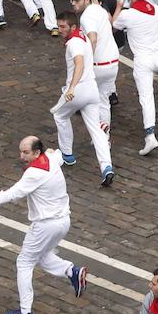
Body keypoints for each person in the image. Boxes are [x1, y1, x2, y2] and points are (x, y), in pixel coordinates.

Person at [0, 135, 85, 314]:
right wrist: (52, 152)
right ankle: (70, 271)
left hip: (45, 225)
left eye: (25, 152)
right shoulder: (49, 159)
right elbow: (56, 155)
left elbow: (12, 194)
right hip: (63, 221)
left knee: (24, 262)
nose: (21, 156)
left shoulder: (34, 174)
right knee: (41, 255)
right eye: (20, 151)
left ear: (36, 153)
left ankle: (25, 313)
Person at [52, 10, 114, 185]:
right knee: (96, 130)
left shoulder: (73, 44)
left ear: (73, 26)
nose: (60, 29)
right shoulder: (84, 36)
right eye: (58, 26)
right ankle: (106, 167)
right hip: (92, 89)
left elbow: (79, 63)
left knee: (59, 115)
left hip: (78, 90)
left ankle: (67, 154)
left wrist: (71, 87)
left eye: (63, 26)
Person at [111, 0, 158, 154]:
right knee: (147, 97)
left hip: (144, 60)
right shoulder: (156, 10)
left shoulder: (128, 15)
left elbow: (113, 25)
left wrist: (119, 7)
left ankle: (150, 136)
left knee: (146, 98)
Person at [71, 0, 120, 133]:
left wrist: (86, 63)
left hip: (98, 65)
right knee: (103, 100)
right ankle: (104, 136)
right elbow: (111, 24)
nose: (74, 3)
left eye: (77, 0)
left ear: (87, 0)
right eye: (72, 0)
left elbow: (93, 38)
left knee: (88, 102)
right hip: (113, 63)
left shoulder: (86, 17)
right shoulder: (100, 9)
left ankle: (99, 133)